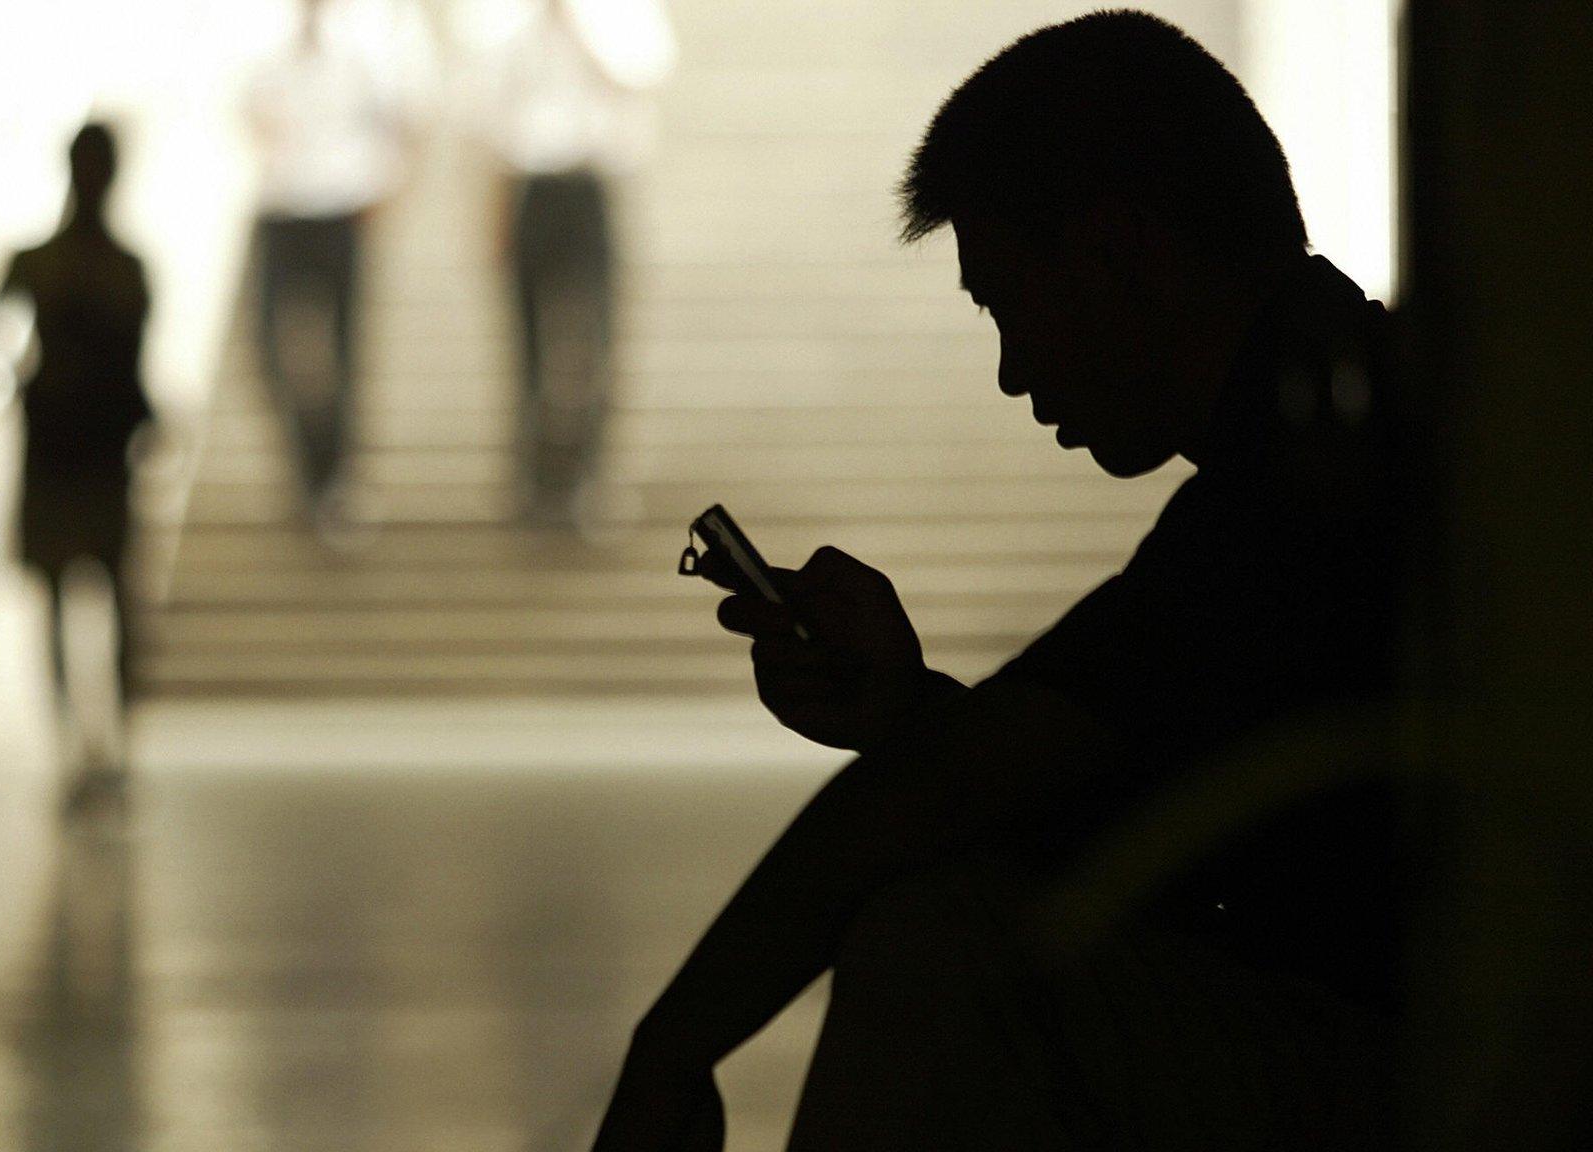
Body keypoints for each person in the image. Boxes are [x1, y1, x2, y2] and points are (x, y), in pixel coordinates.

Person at [593, 12, 1415, 1150]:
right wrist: (910, 713)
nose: (1013, 373)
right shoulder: (1339, 401)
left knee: (940, 945)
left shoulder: (1301, 472)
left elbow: (942, 798)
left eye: (1003, 304)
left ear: (1121, 252)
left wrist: (672, 1047)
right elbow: (1106, 762)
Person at [452, 0, 675, 531]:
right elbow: (484, 114)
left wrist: (575, 21)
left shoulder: (620, 13)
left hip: (587, 183)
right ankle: (532, 476)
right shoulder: (498, 20)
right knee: (525, 335)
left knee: (595, 335)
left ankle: (591, 471)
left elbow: (640, 76)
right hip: (528, 185)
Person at [0, 123, 156, 785]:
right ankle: (80, 739)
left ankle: (98, 740)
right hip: (75, 446)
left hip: (84, 446)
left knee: (98, 596)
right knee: (79, 596)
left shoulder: (93, 267)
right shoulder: (87, 267)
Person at [244, 0, 437, 544]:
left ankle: (337, 475)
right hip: (282, 208)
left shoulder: (375, 30)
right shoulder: (261, 28)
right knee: (268, 345)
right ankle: (310, 463)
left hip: (341, 208)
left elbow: (406, 116)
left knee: (344, 350)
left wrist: (388, 187)